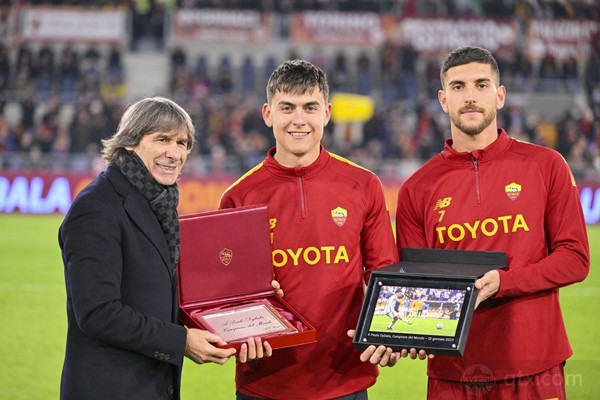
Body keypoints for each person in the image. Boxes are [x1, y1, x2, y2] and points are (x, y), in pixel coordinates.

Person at [395, 46, 590, 399]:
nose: (470, 96)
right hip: (453, 373)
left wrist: (505, 282)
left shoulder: (547, 165)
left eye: (481, 85)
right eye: (458, 87)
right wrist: (400, 333)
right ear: (443, 100)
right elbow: (414, 284)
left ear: (500, 96)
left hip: (534, 364)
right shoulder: (416, 188)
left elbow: (575, 258)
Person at [220, 59, 404, 400]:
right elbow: (228, 293)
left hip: (345, 379)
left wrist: (390, 335)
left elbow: (385, 275)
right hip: (265, 382)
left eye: (310, 107)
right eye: (287, 108)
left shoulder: (363, 185)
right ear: (268, 114)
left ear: (327, 113)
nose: (299, 120)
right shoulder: (239, 196)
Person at [59, 97, 243, 400]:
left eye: (182, 143)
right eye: (162, 139)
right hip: (110, 390)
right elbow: (98, 312)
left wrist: (242, 307)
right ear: (130, 142)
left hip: (150, 386)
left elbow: (161, 296)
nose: (175, 153)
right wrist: (182, 342)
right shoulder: (97, 207)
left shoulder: (159, 203)